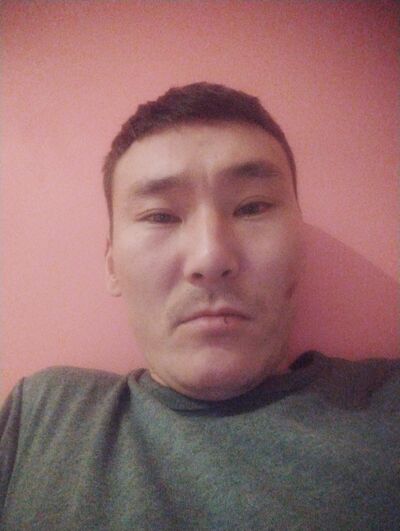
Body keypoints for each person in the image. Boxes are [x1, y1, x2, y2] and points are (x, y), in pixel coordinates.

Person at [1, 82, 399, 530]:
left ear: (301, 246)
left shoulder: (389, 407)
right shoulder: (40, 415)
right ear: (112, 264)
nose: (210, 259)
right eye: (160, 216)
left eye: (252, 208)